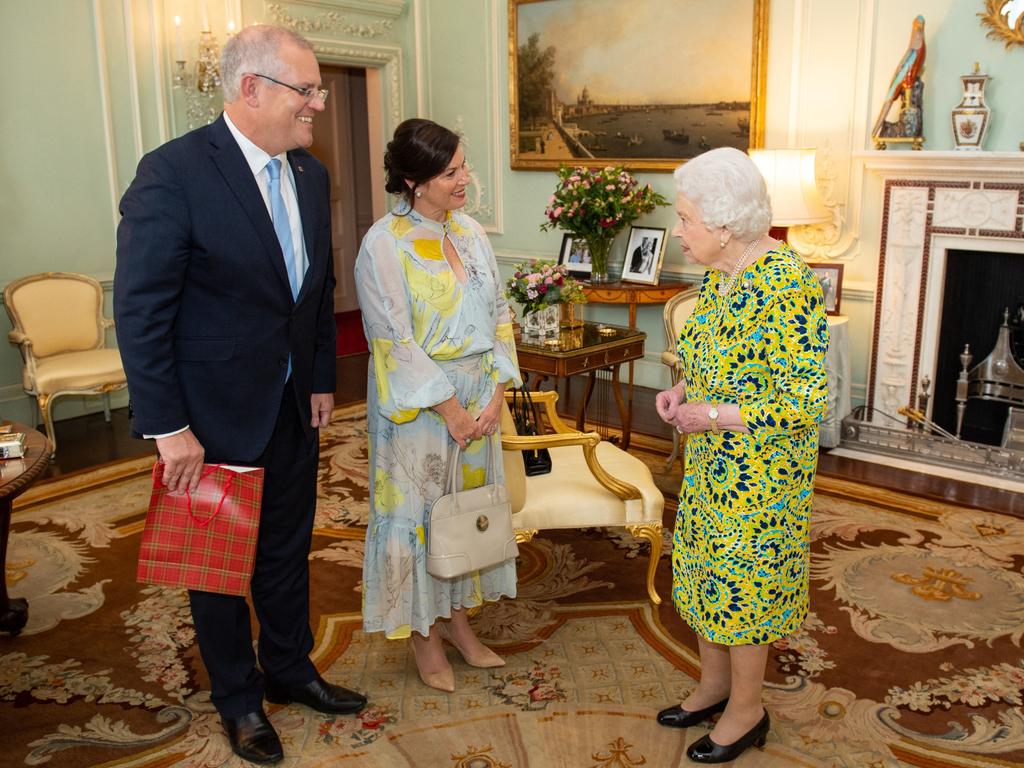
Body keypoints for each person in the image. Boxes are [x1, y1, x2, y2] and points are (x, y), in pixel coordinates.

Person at [114, 24, 367, 765]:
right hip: (210, 416)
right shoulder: (173, 175)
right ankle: (237, 700)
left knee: (286, 550)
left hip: (293, 405)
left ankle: (290, 670)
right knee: (217, 566)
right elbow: (142, 311)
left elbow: (314, 293)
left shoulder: (312, 174)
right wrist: (168, 427)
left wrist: (321, 376)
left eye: (319, 88)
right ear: (251, 88)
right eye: (308, 90)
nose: (317, 104)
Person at [653, 147, 828, 764]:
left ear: (724, 225)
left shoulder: (786, 282)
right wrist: (682, 392)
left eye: (685, 219)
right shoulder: (721, 275)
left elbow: (808, 398)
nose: (678, 230)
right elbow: (711, 364)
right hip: (712, 463)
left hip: (762, 471)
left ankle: (748, 710)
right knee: (704, 573)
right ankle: (714, 687)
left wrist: (718, 415)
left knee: (744, 588)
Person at [355, 118, 522, 693]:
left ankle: (459, 625)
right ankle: (426, 641)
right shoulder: (384, 242)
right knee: (420, 521)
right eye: (451, 172)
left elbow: (500, 311)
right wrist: (451, 410)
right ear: (413, 179)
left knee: (462, 517)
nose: (464, 180)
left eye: (463, 167)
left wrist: (497, 392)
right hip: (421, 411)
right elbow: (393, 340)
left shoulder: (472, 232)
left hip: (481, 399)